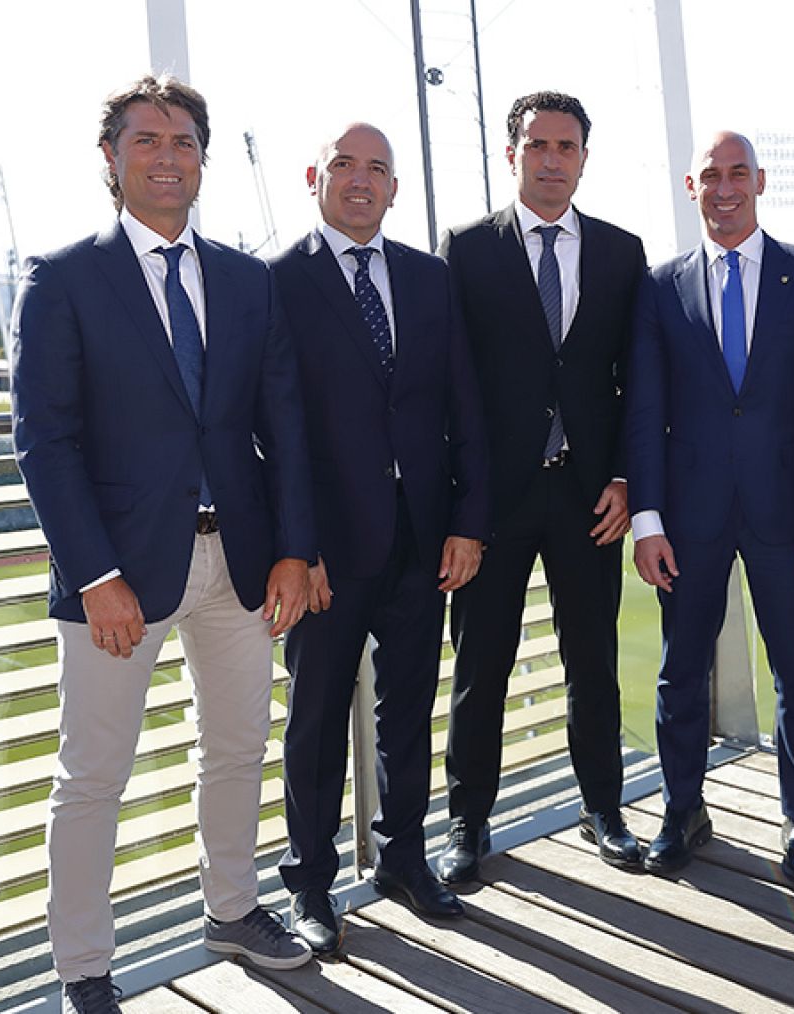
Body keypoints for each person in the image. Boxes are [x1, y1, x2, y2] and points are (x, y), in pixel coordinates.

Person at [9, 74, 316, 1013]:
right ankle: (83, 970)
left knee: (238, 748)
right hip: (120, 575)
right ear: (111, 159)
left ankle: (232, 910)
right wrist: (94, 574)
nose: (168, 157)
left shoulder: (247, 279)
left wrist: (294, 548)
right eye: (146, 140)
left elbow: (283, 423)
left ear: (203, 160)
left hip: (240, 562)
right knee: (93, 775)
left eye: (184, 141)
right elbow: (45, 440)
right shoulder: (62, 280)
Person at [271, 123, 488, 952]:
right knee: (316, 719)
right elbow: (272, 428)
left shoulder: (430, 277)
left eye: (377, 169)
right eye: (344, 165)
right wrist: (299, 548)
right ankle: (310, 884)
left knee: (409, 708)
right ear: (314, 177)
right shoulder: (277, 281)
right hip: (326, 553)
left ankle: (402, 857)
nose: (360, 180)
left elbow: (464, 407)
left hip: (423, 538)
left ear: (395, 188)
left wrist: (468, 523)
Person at [626, 131, 794, 881]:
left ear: (759, 181)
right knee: (680, 673)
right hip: (687, 518)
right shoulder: (660, 286)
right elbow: (645, 409)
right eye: (710, 177)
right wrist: (648, 520)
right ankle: (682, 810)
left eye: (737, 174)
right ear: (692, 187)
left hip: (788, 516)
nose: (724, 189)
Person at [436, 91, 648, 881]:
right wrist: (463, 501)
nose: (552, 160)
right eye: (537, 145)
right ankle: (467, 823)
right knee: (480, 666)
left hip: (589, 495)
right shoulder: (466, 249)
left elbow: (636, 379)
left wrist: (625, 477)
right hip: (493, 499)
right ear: (511, 154)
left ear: (584, 158)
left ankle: (604, 808)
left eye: (566, 147)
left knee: (593, 661)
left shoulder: (622, 251)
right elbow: (451, 382)